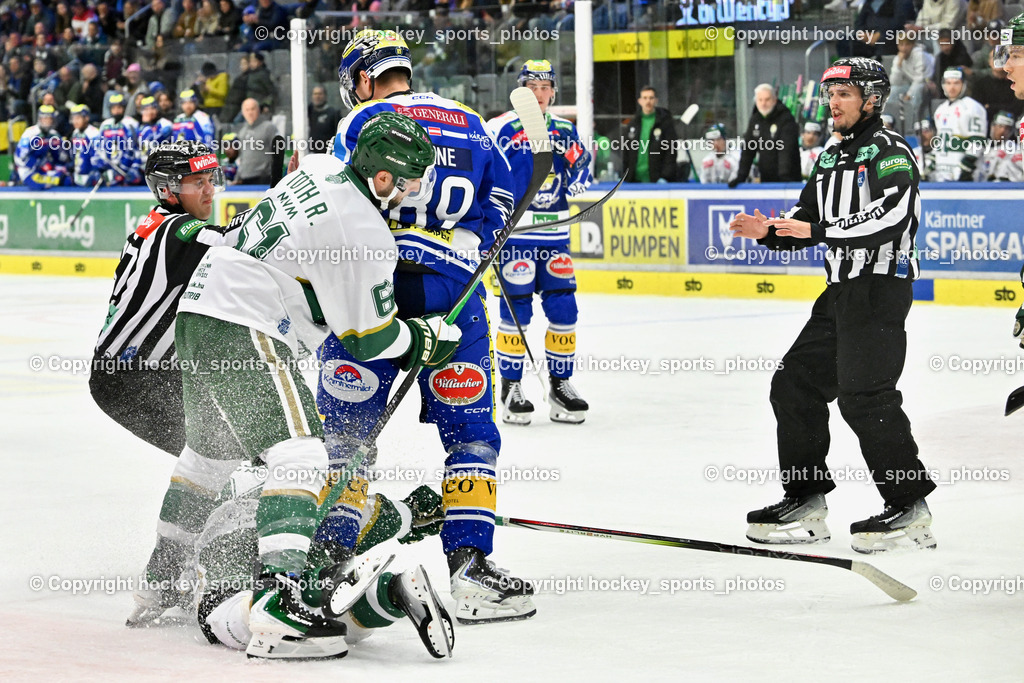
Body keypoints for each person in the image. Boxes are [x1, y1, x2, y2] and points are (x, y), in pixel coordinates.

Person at [133, 115, 462, 659]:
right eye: (408, 182)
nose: (412, 194)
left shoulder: (320, 166)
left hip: (196, 311)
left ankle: (161, 577)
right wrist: (426, 342)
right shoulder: (365, 233)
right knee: (303, 455)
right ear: (382, 180)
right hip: (245, 322)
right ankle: (279, 600)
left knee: (209, 457)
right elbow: (367, 338)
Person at [326, 29, 535, 624]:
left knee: (347, 437)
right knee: (471, 436)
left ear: (363, 78)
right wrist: (460, 248)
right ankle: (470, 571)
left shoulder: (360, 124)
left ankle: (329, 557)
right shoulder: (470, 122)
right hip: (456, 297)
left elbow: (341, 211)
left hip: (373, 294)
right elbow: (499, 208)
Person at [729, 57, 937, 555]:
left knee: (866, 396)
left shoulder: (891, 152)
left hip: (879, 290)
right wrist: (771, 231)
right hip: (840, 293)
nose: (832, 103)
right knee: (794, 383)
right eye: (830, 94)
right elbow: (807, 217)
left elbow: (889, 216)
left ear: (871, 99)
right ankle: (805, 498)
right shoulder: (829, 157)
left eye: (843, 94)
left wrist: (817, 231)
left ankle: (910, 508)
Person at [185, 465, 453, 659]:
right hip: (297, 543)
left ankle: (316, 589)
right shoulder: (300, 471)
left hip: (232, 545)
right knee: (338, 619)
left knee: (218, 612)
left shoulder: (230, 476)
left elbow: (178, 548)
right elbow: (360, 515)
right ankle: (392, 590)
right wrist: (410, 513)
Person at [89, 141, 240, 457]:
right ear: (167, 190)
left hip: (150, 372)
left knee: (229, 448)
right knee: (218, 457)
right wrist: (281, 200)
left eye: (212, 180)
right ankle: (241, 503)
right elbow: (237, 241)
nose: (210, 191)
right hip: (131, 380)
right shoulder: (177, 231)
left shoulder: (155, 225)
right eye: (199, 182)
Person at [487, 60, 592, 425]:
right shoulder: (498, 128)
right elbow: (483, 174)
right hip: (514, 237)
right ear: (520, 90)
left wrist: (580, 176)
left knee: (565, 311)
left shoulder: (564, 128)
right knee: (516, 315)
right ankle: (511, 388)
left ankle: (561, 385)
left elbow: (582, 161)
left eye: (546, 87)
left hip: (554, 235)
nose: (541, 93)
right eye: (532, 86)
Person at [730, 84, 801, 187]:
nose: (763, 104)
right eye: (760, 100)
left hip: (788, 180)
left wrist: (784, 176)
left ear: (774, 100)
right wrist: (741, 176)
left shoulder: (786, 119)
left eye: (767, 100)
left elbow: (786, 150)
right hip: (766, 179)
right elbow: (748, 150)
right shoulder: (755, 119)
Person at [932, 67, 987, 181]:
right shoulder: (940, 109)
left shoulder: (973, 107)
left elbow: (977, 140)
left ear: (964, 84)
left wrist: (967, 166)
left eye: (956, 83)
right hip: (942, 171)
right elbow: (940, 140)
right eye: (948, 83)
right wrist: (931, 160)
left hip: (963, 172)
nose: (952, 87)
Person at [621, 85, 678, 183]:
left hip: (657, 181)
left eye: (651, 98)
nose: (648, 101)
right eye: (645, 98)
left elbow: (671, 151)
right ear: (640, 101)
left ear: (656, 100)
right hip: (634, 180)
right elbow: (626, 152)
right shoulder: (633, 124)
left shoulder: (665, 123)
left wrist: (666, 176)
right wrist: (625, 175)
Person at [885, 32, 934, 132]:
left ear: (912, 44)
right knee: (893, 91)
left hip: (928, 84)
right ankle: (890, 120)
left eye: (907, 44)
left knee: (916, 90)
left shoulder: (920, 55)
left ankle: (912, 124)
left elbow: (920, 79)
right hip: (911, 84)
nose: (904, 48)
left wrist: (909, 94)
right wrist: (898, 65)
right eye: (901, 44)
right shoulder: (898, 58)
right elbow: (894, 82)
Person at [14, 103, 70, 188]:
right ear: (40, 119)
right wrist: (36, 164)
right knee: (40, 184)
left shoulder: (54, 135)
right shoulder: (29, 133)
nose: (47, 121)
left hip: (46, 170)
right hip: (29, 171)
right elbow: (19, 157)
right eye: (45, 118)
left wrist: (63, 162)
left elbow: (61, 157)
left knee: (67, 180)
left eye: (49, 118)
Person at [94, 92, 142, 185]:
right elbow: (100, 147)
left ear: (123, 108)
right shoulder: (105, 124)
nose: (116, 110)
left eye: (119, 107)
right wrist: (101, 165)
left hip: (127, 169)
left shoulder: (131, 123)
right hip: (110, 168)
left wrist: (134, 168)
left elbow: (137, 148)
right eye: (114, 108)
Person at [233, 96, 278, 185]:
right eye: (247, 110)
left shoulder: (269, 127)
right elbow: (242, 156)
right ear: (243, 112)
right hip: (244, 179)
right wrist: (237, 177)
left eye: (252, 109)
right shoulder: (242, 131)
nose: (250, 112)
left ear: (258, 110)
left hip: (264, 179)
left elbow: (278, 152)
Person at [981, 111, 1022, 181]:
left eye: (1007, 128)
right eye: (1000, 126)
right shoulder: (982, 145)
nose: (1003, 130)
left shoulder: (1014, 149)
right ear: (992, 126)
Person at [69, 102, 101, 186]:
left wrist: (95, 170)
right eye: (73, 118)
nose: (75, 121)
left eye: (78, 118)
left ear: (86, 118)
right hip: (78, 173)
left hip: (90, 175)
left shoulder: (93, 133)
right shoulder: (75, 133)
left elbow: (99, 155)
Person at [136, 95, 172, 164]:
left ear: (157, 109)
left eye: (152, 108)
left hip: (162, 163)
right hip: (145, 164)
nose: (150, 112)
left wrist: (147, 124)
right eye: (146, 109)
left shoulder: (165, 123)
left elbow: (154, 142)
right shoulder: (140, 127)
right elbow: (139, 148)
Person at [308, 84, 340, 153]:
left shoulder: (333, 113)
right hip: (311, 154)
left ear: (325, 96)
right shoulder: (308, 112)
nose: (317, 96)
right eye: (315, 94)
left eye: (320, 94)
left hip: (327, 155)